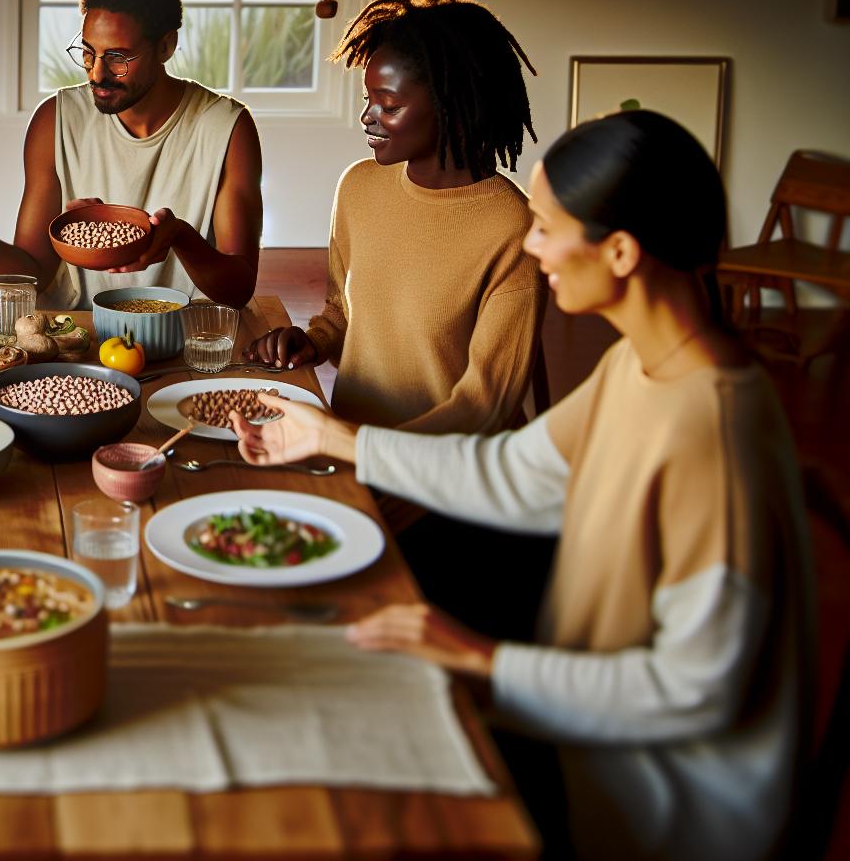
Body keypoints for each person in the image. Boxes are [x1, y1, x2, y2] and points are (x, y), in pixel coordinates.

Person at [228, 111, 810, 861]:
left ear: (623, 252)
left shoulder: (711, 428)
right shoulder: (645, 364)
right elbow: (515, 473)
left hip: (656, 802)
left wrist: (479, 658)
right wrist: (333, 437)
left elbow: (696, 688)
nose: (530, 245)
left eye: (544, 227)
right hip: (574, 725)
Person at [247, 0, 546, 434]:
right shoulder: (358, 187)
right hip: (351, 451)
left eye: (388, 105)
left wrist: (363, 455)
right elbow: (340, 314)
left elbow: (486, 404)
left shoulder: (512, 228)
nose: (367, 117)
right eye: (368, 100)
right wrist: (311, 341)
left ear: (453, 107)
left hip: (440, 477)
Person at [0, 0, 263, 308]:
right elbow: (32, 280)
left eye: (118, 57)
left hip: (185, 333)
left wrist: (181, 237)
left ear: (167, 46)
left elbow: (238, 288)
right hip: (76, 333)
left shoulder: (227, 128)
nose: (97, 73)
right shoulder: (56, 120)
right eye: (88, 53)